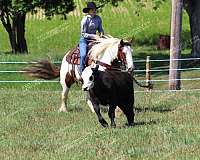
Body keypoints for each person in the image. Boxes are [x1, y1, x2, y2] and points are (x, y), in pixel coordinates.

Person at [79, 2, 104, 74]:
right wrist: (94, 36)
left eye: (95, 9)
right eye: (92, 9)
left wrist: (101, 34)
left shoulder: (98, 18)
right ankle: (81, 71)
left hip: (95, 39)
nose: (94, 10)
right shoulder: (84, 20)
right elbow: (83, 34)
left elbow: (100, 29)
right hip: (84, 40)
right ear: (88, 11)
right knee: (83, 55)